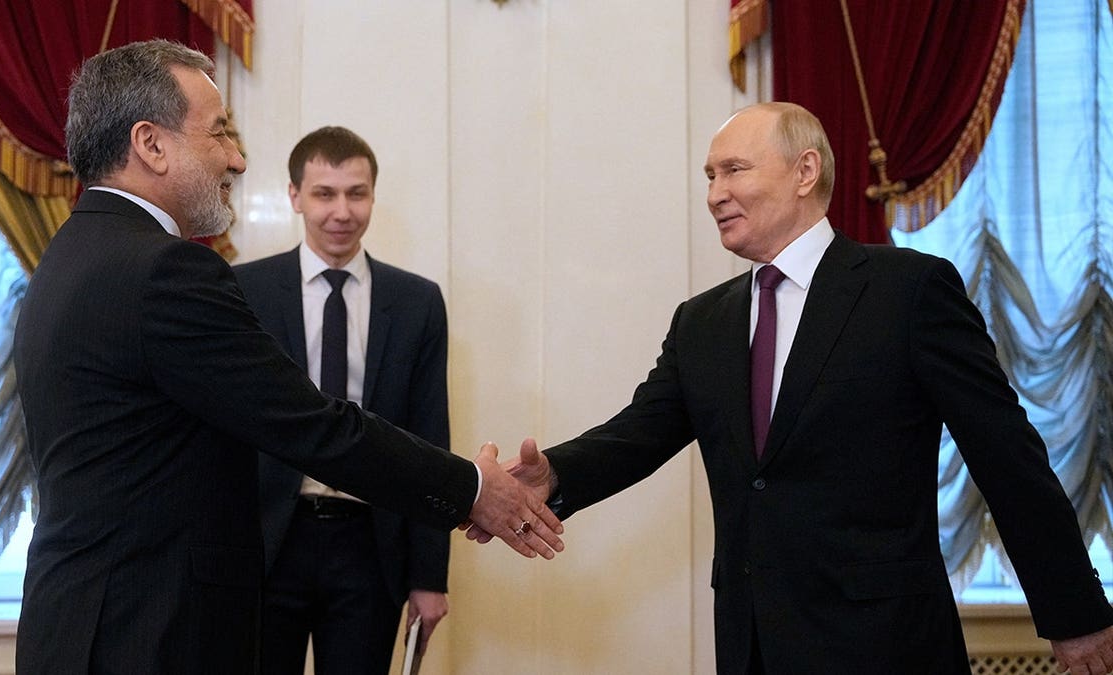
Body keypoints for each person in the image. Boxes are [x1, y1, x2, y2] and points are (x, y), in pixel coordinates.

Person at [476, 102, 1113, 674]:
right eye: (709, 176)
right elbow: (637, 434)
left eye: (734, 170)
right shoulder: (702, 320)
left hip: (884, 642)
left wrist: (1074, 613)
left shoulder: (908, 291)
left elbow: (1006, 455)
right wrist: (552, 477)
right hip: (752, 642)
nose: (715, 193)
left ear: (805, 172)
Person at [12, 40, 562, 675]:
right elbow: (312, 425)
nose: (238, 159)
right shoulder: (165, 270)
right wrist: (470, 488)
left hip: (84, 623)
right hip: (146, 632)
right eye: (219, 132)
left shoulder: (74, 251)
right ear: (151, 144)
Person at [234, 126, 451, 674]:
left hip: (370, 549)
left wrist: (430, 577)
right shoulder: (245, 291)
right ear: (294, 196)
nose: (341, 211)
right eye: (324, 194)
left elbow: (430, 438)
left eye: (356, 193)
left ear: (374, 196)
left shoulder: (417, 302)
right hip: (265, 545)